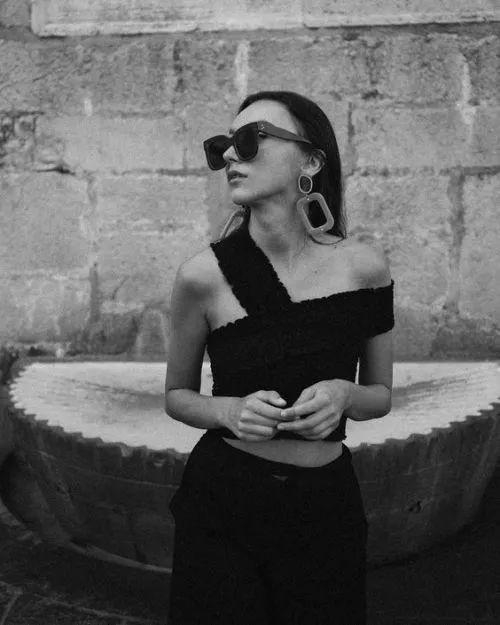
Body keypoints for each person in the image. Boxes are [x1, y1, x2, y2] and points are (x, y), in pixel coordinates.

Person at [165, 90, 394, 624]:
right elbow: (177, 396)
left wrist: (345, 395)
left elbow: (380, 396)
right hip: (223, 503)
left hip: (326, 509)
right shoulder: (201, 276)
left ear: (310, 161)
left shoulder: (365, 268)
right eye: (223, 145)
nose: (229, 155)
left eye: (250, 140)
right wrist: (227, 410)